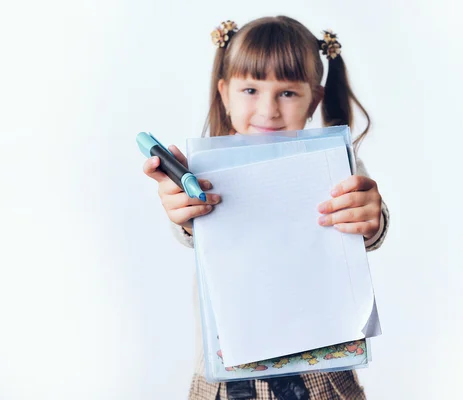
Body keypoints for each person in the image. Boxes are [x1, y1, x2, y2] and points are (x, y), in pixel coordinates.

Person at [142, 15, 390, 400]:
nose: (269, 110)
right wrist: (184, 215)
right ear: (224, 93)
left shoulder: (333, 163)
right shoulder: (206, 169)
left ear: (314, 100)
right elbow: (188, 232)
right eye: (250, 90)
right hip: (226, 375)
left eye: (287, 93)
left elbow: (369, 223)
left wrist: (371, 221)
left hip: (318, 369)